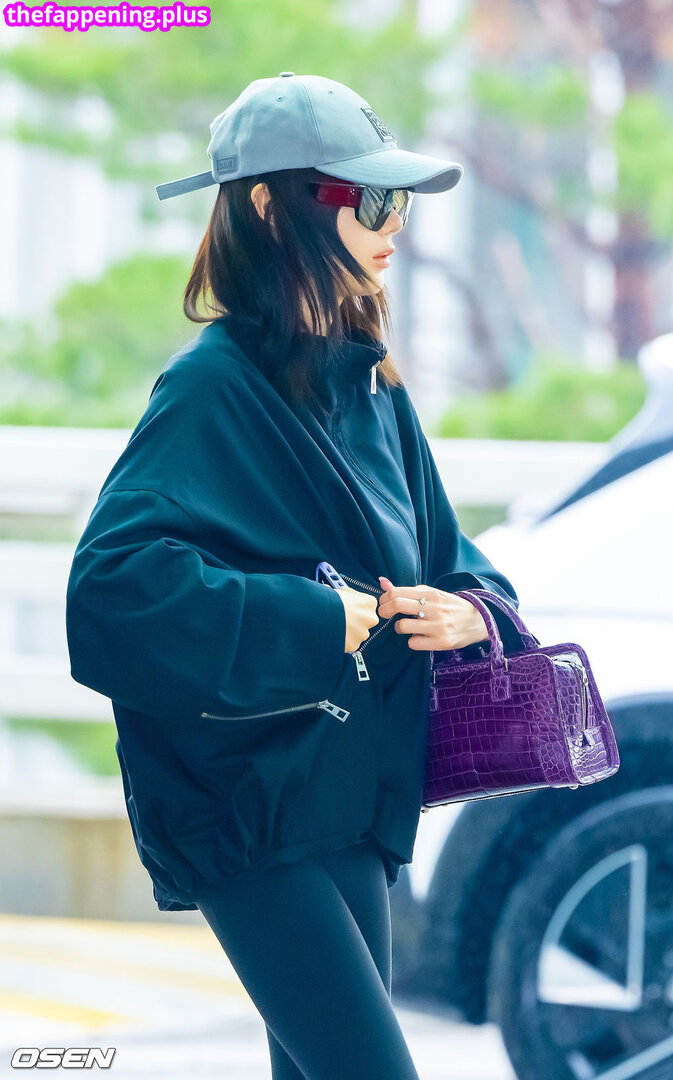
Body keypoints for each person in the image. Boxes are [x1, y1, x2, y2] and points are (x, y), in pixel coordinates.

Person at [65, 73, 523, 1080]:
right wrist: (318, 620)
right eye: (367, 198)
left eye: (398, 200)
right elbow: (112, 593)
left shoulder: (373, 386)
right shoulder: (209, 388)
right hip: (246, 806)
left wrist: (466, 613)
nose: (390, 224)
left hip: (353, 799)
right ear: (271, 208)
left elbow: (455, 561)